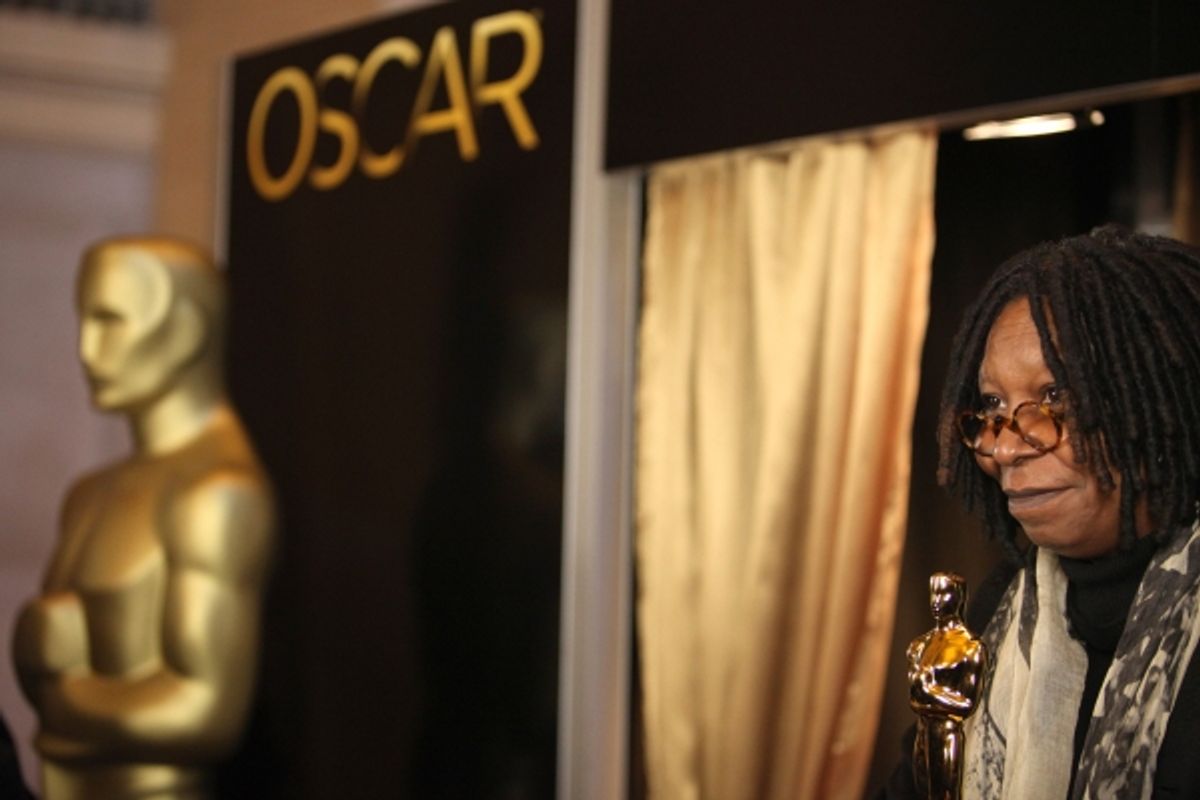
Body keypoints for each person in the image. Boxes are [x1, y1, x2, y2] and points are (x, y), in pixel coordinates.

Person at [886, 225, 1200, 799]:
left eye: (1055, 396)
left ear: (1156, 403)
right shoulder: (1001, 608)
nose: (1006, 447)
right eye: (992, 405)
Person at [11, 237, 276, 799]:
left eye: (111, 321)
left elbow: (205, 710)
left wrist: (64, 694)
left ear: (183, 332)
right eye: (84, 320)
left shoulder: (216, 494)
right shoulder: (90, 494)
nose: (86, 349)